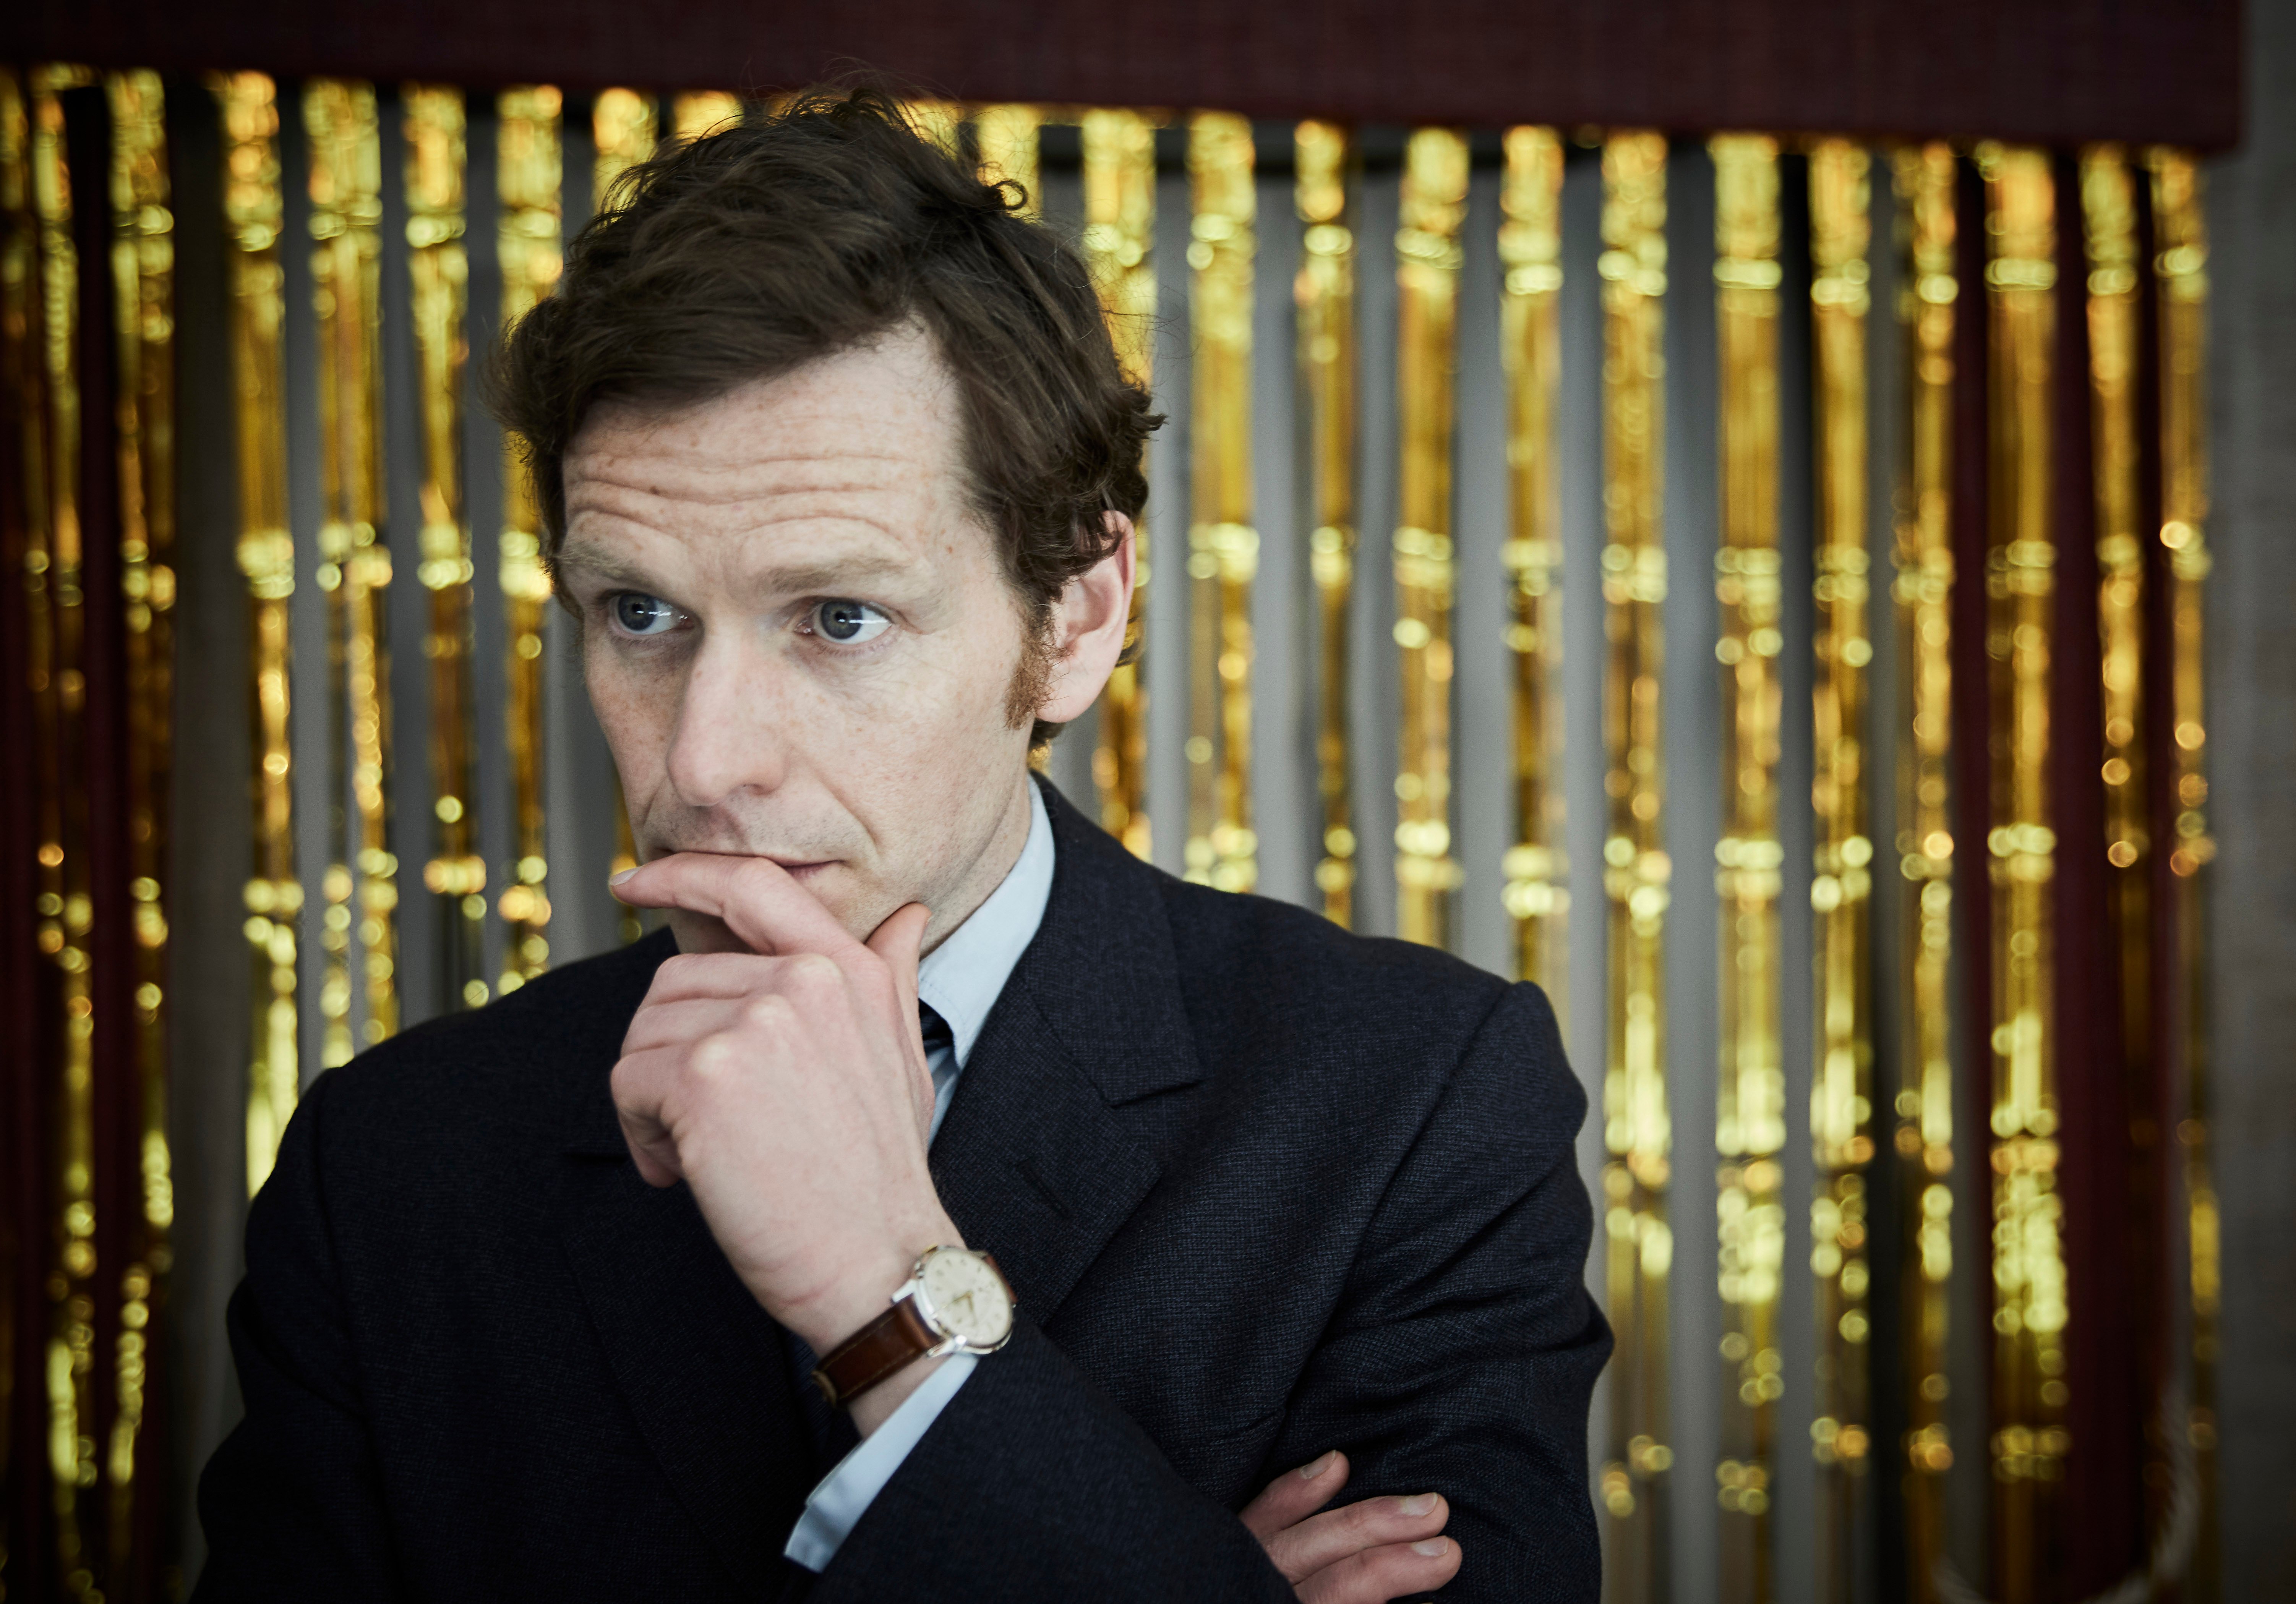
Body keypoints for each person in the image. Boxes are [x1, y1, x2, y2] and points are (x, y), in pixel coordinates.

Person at [194, 86, 1608, 1603]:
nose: (704, 760)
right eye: (640, 613)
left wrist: (895, 1304)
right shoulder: (390, 1164)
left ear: (1078, 618)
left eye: (839, 617)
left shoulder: (1412, 1100)